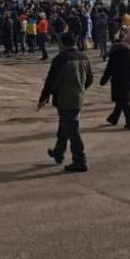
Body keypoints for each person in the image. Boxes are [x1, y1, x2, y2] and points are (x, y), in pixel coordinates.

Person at [38, 32, 93, 173]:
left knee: (72, 129)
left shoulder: (60, 59)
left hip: (64, 98)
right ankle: (58, 152)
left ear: (62, 44)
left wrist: (44, 98)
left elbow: (51, 81)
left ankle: (80, 160)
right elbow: (90, 79)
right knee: (65, 125)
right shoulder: (84, 57)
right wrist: (80, 88)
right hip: (78, 97)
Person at [101, 31, 130, 130]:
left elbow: (108, 69)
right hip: (126, 81)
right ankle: (113, 118)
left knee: (123, 102)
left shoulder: (114, 56)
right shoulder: (128, 55)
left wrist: (103, 80)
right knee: (121, 101)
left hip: (117, 81)